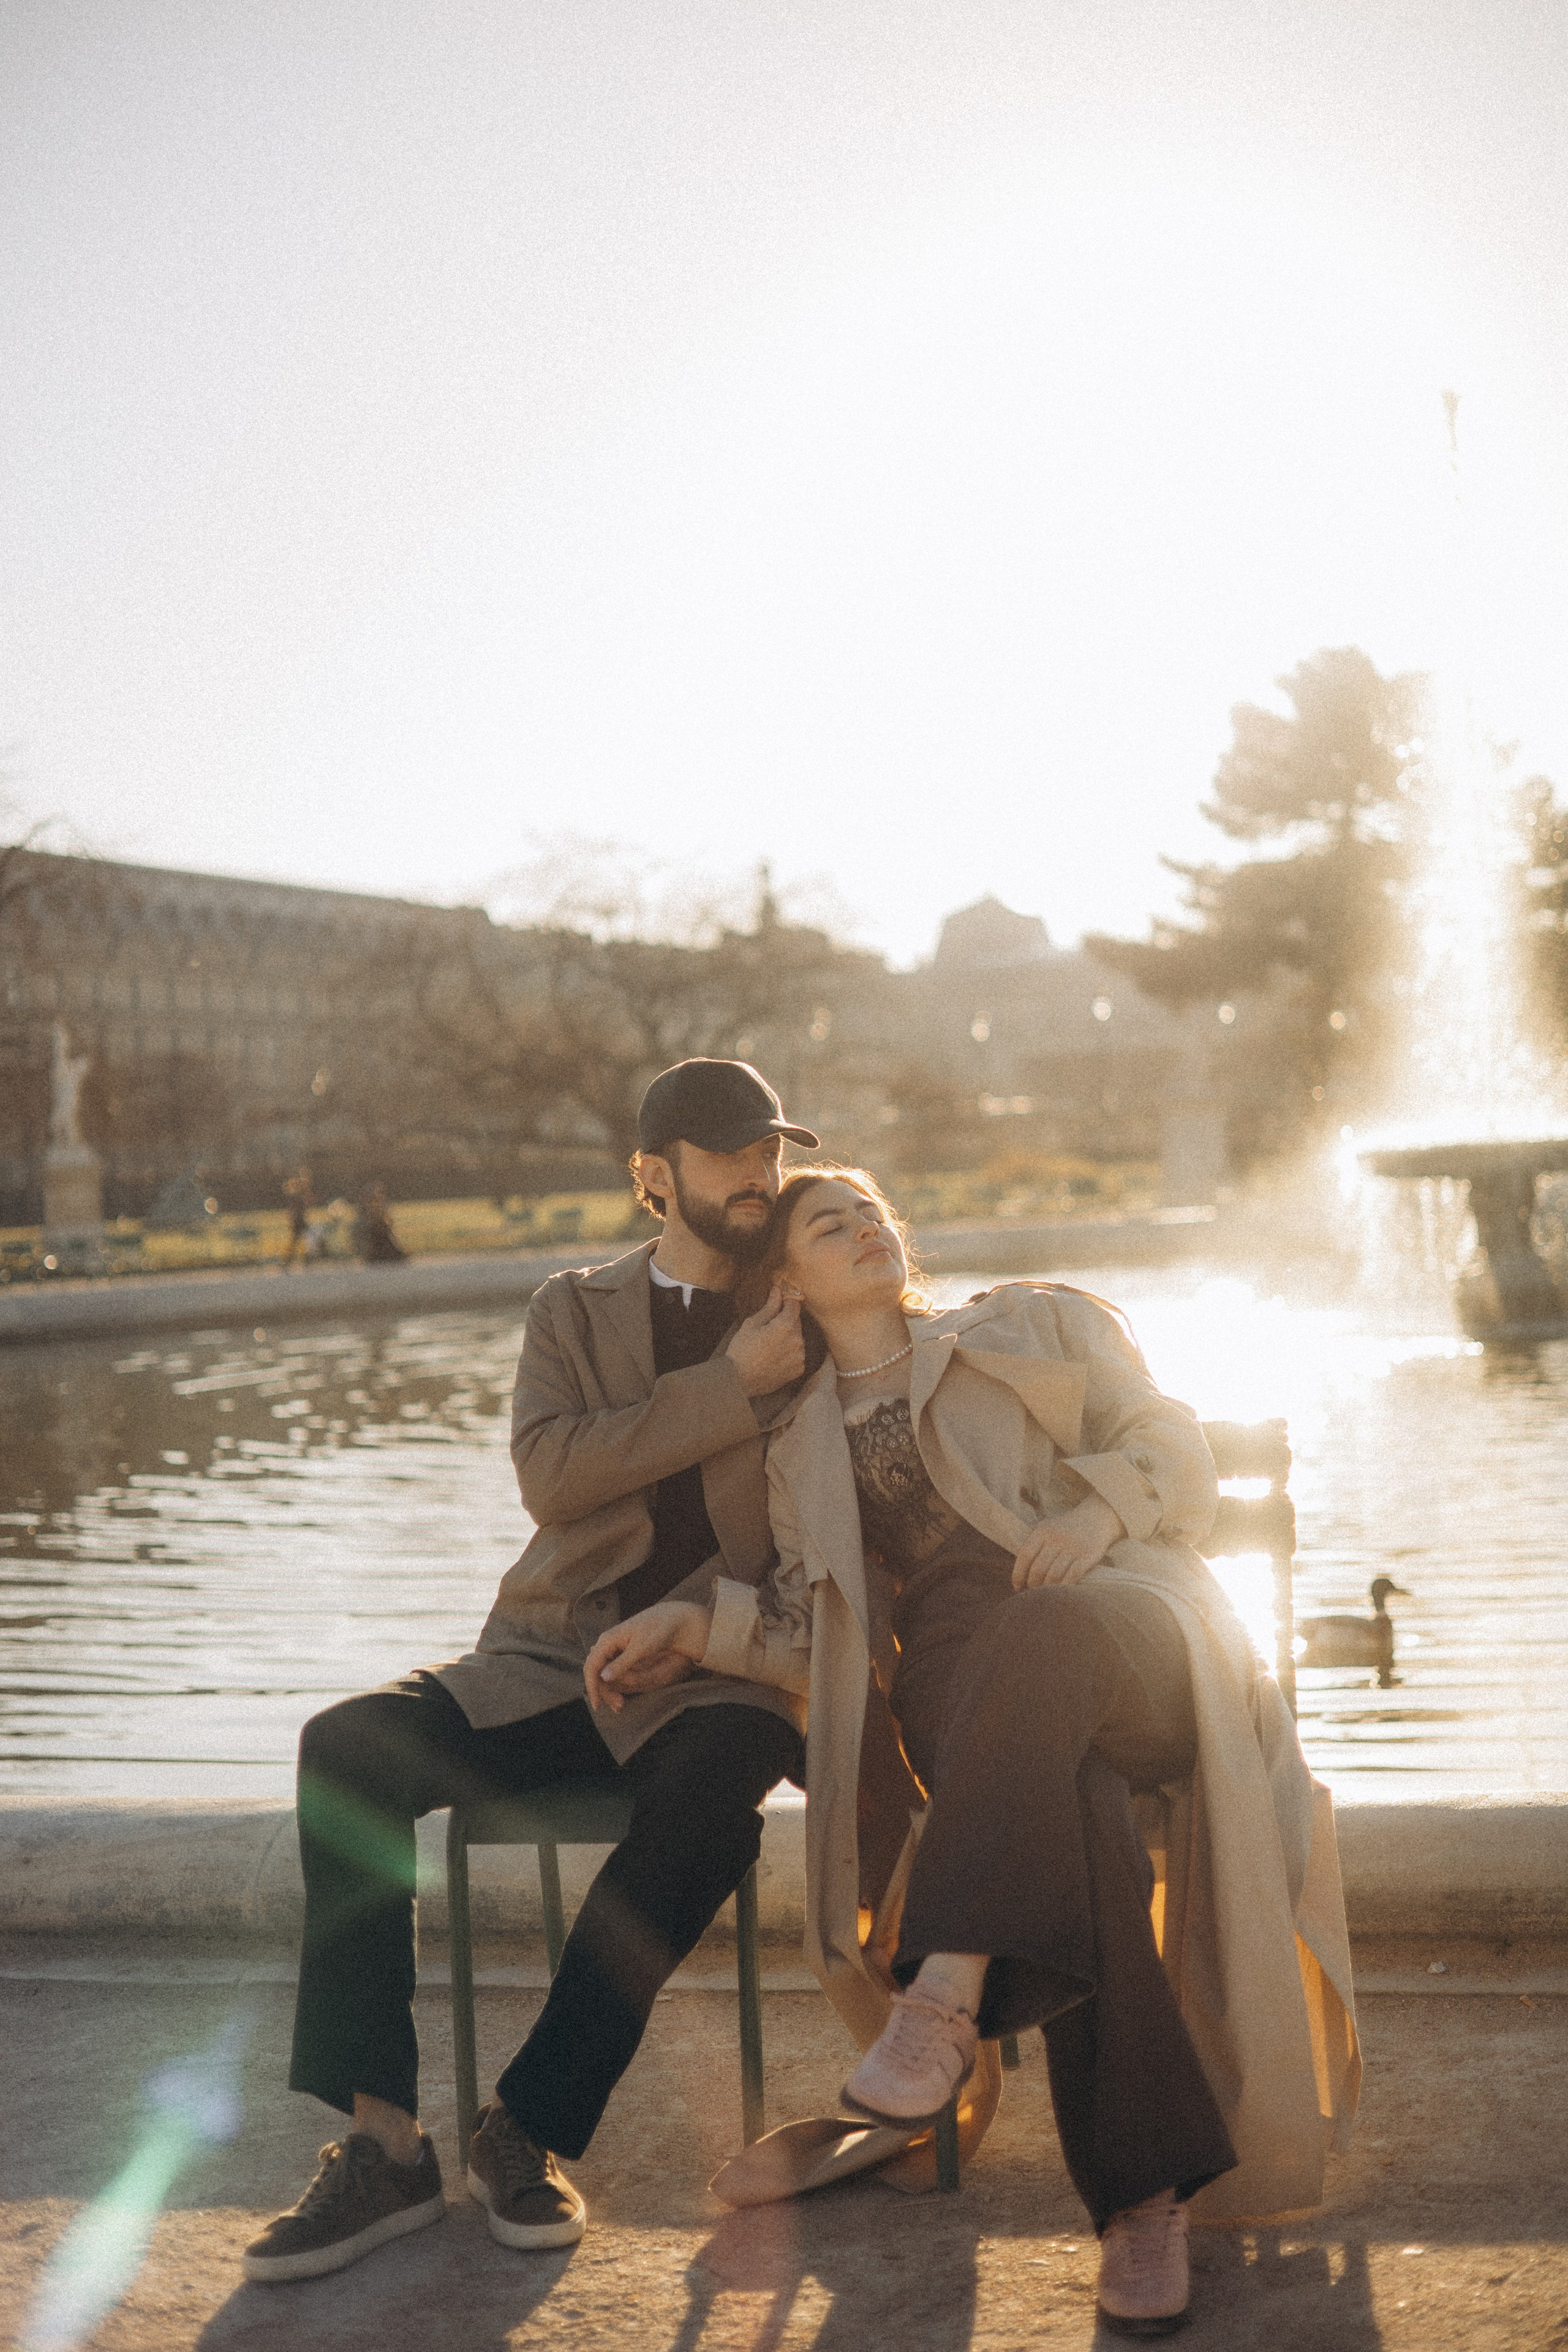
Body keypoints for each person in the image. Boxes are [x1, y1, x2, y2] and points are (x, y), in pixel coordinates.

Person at [586, 1167, 1359, 2339]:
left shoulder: (1027, 1325)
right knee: (1080, 1805)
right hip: (960, 1687)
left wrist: (1095, 1513)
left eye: (870, 1212)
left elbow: (1165, 1437)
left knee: (1044, 1633)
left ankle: (944, 1990)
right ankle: (1141, 2203)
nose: (861, 1228)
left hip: (1118, 1617)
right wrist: (702, 1626)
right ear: (785, 1281)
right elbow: (816, 1628)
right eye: (825, 1223)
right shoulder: (798, 1449)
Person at [242, 1060, 818, 2285]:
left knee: (723, 1779)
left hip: (712, 1669)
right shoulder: (575, 1305)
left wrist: (696, 1619)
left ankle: (529, 2126)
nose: (757, 1174)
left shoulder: (800, 1311)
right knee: (347, 1747)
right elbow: (551, 1479)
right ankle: (385, 2145)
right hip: (548, 1658)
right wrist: (729, 1391)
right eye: (727, 1155)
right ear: (652, 1178)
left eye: (768, 1149)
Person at [355, 1181, 407, 1263]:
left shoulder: (384, 1217)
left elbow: (392, 1235)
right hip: (374, 1254)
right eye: (372, 1201)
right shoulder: (363, 1222)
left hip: (387, 1252)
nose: (375, 1205)